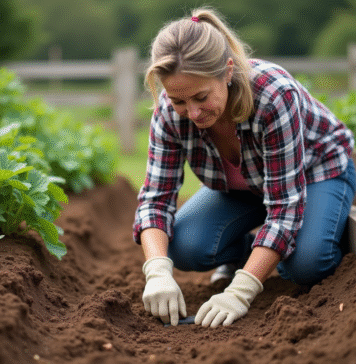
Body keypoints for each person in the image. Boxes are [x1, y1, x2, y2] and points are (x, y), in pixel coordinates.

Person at [133, 7, 356, 328]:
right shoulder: (169, 113)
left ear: (226, 72)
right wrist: (156, 270)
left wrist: (241, 290)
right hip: (244, 187)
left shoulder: (273, 96)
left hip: (316, 173)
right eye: (179, 101)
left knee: (306, 265)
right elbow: (156, 198)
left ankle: (302, 242)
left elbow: (285, 206)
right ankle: (250, 253)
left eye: (201, 97)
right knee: (183, 246)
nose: (192, 113)